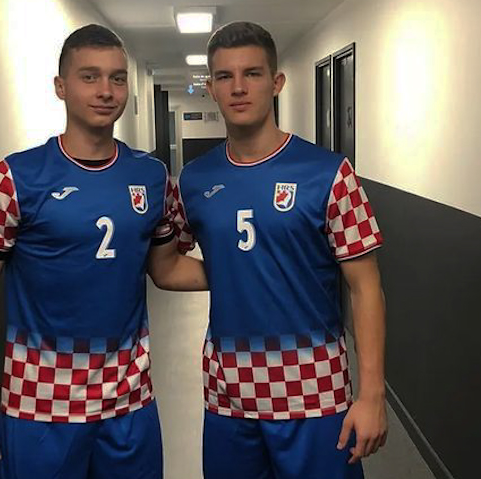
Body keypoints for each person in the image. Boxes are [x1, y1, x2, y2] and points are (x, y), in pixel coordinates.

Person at [0, 24, 206, 479]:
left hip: (129, 403)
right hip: (39, 407)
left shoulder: (151, 177)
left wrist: (252, 269)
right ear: (61, 86)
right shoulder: (12, 180)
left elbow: (166, 269)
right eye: (89, 77)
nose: (106, 91)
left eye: (117, 78)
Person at [170, 21, 388, 479]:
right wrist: (235, 270)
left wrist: (372, 395)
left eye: (252, 73)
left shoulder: (329, 173)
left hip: (315, 392)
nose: (239, 87)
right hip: (228, 395)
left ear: (276, 82)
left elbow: (365, 287)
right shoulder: (195, 179)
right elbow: (169, 266)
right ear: (211, 88)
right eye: (225, 76)